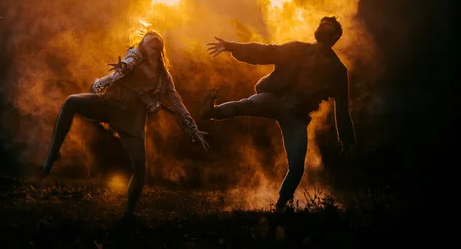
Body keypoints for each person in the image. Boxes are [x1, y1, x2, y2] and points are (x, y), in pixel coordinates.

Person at [42, 24, 210, 219]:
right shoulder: (135, 56)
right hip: (109, 104)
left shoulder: (163, 78)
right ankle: (53, 154)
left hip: (131, 122)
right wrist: (124, 67)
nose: (154, 49)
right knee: (71, 102)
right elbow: (129, 61)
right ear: (143, 46)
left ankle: (129, 211)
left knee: (140, 170)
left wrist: (193, 129)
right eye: (150, 45)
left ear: (161, 50)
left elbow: (177, 103)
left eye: (157, 46)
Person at [200, 16, 356, 212]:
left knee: (297, 167)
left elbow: (342, 106)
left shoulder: (338, 71)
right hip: (273, 98)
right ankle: (212, 111)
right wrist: (231, 46)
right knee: (244, 105)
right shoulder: (297, 48)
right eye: (321, 24)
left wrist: (347, 140)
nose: (322, 26)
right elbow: (265, 51)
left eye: (327, 26)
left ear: (335, 36)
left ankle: (280, 207)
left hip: (296, 117)